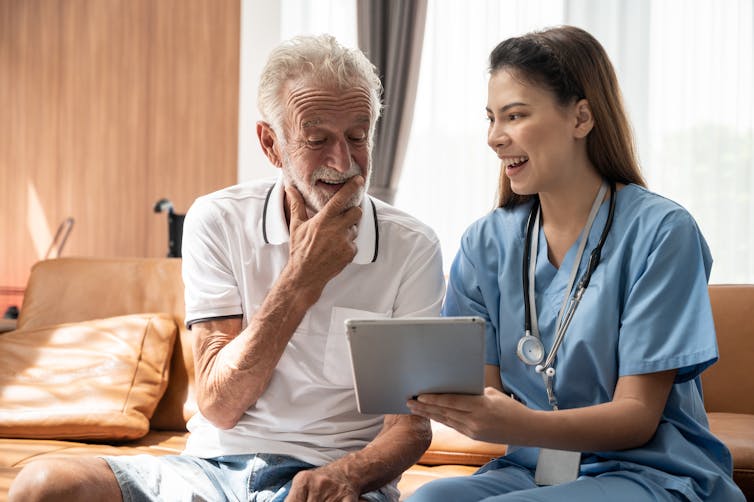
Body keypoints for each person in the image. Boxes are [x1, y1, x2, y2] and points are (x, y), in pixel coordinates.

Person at [9, 34, 445, 502]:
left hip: (330, 475)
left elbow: (411, 429)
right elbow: (219, 405)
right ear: (271, 144)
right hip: (210, 469)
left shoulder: (412, 246)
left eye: (357, 138)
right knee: (44, 485)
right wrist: (302, 278)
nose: (343, 161)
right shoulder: (217, 220)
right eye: (317, 140)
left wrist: (346, 476)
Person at [405, 25, 745, 502]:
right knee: (427, 499)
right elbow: (483, 396)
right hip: (535, 468)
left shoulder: (662, 232)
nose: (495, 138)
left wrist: (521, 422)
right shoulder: (486, 241)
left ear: (581, 117)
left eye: (515, 115)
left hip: (648, 469)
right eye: (491, 119)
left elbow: (637, 416)